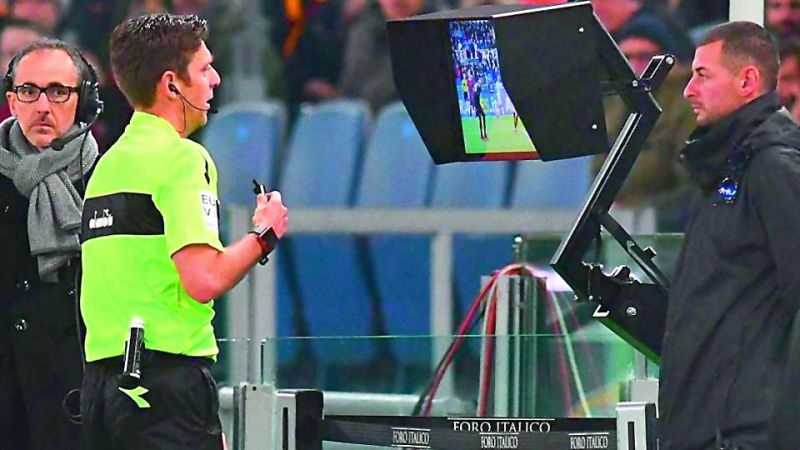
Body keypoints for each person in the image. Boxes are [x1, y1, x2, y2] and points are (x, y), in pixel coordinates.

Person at [78, 13, 288, 449]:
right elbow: (204, 279)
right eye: (205, 68)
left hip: (101, 388)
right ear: (172, 84)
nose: (215, 79)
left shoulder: (107, 164)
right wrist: (264, 235)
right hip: (163, 386)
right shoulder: (182, 158)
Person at [658, 21, 800, 449]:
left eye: (702, 75)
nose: (687, 91)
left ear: (747, 80)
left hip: (742, 432)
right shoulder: (723, 167)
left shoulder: (773, 167)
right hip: (704, 425)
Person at [0, 38, 101, 450]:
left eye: (59, 91)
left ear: (84, 101)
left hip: (74, 392)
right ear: (12, 100)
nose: (43, 105)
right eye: (29, 91)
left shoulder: (106, 180)